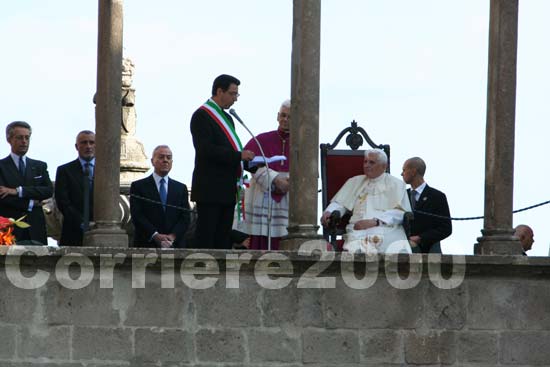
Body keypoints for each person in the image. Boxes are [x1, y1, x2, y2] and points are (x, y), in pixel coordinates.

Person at [190, 74, 255, 249]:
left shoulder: (228, 118)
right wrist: (238, 156)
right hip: (209, 188)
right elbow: (206, 150)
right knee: (207, 237)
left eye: (236, 95)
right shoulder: (201, 116)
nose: (235, 99)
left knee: (223, 239)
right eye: (233, 94)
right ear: (220, 91)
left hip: (227, 188)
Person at [321, 148, 411, 254]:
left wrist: (375, 222)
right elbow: (340, 203)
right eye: (365, 161)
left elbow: (401, 212)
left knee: (392, 251)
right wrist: (329, 212)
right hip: (358, 230)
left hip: (386, 229)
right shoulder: (354, 181)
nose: (366, 165)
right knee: (358, 253)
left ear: (384, 166)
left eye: (371, 162)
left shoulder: (397, 184)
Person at [241, 99, 291, 250]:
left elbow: (309, 172)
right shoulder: (261, 140)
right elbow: (246, 162)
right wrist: (274, 178)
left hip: (289, 199)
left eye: (290, 117)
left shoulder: (303, 143)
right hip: (262, 199)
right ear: (277, 116)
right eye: (283, 115)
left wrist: (288, 183)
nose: (285, 119)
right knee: (261, 242)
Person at [0, 121, 53, 245]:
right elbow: (3, 197)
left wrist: (18, 191)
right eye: (19, 137)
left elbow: (48, 191)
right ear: (9, 139)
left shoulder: (39, 166)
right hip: (9, 230)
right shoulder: (1, 167)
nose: (24, 141)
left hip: (36, 229)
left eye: (27, 138)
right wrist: (32, 203)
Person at [130, 145, 190, 248]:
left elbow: (185, 217)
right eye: (161, 157)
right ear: (153, 161)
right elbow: (137, 215)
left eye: (169, 157)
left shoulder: (180, 188)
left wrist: (172, 236)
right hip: (147, 245)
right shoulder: (138, 186)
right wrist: (155, 235)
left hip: (175, 246)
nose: (165, 160)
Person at [401, 157, 452, 253]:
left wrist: (420, 238)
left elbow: (446, 228)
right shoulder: (402, 196)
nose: (402, 174)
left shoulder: (437, 196)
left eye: (404, 170)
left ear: (413, 171)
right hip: (405, 252)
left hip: (429, 253)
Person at [54, 130, 96, 246]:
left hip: (101, 230)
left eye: (92, 143)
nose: (88, 146)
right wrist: (82, 222)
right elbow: (63, 202)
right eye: (84, 143)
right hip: (72, 231)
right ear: (77, 146)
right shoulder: (64, 170)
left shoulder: (106, 171)